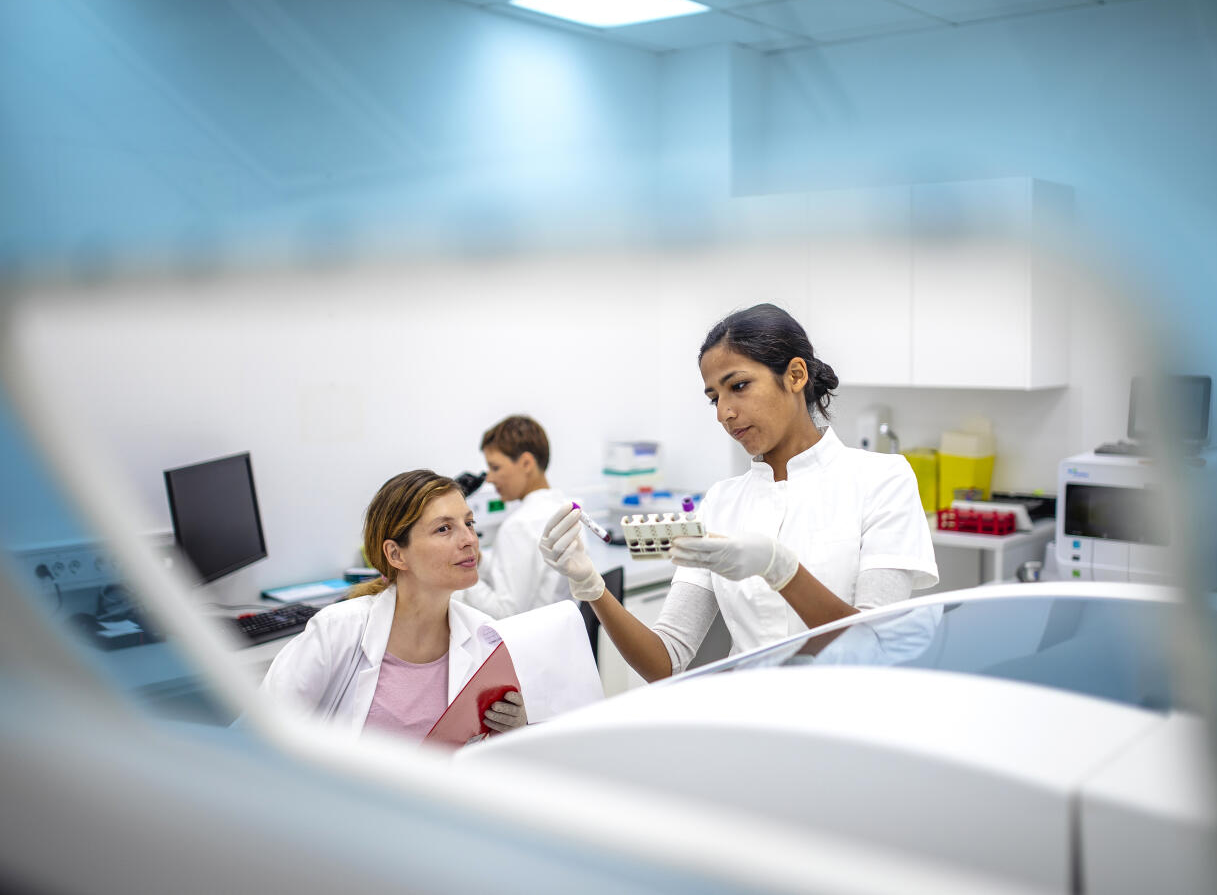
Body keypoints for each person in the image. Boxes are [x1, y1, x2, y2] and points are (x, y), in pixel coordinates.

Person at [540, 302, 938, 683]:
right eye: (715, 397)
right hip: (748, 723)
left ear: (796, 375)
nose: (723, 412)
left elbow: (875, 649)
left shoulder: (882, 479)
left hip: (847, 729)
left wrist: (781, 569)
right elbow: (664, 661)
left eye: (739, 386)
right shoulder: (722, 503)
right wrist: (592, 588)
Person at [261, 470, 525, 741]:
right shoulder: (337, 631)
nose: (469, 539)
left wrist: (516, 730)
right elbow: (261, 732)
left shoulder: (486, 637)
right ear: (396, 554)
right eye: (444, 528)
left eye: (469, 523)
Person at [455, 415, 582, 619]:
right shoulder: (566, 511)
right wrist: (479, 561)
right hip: (557, 634)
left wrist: (460, 573)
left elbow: (507, 613)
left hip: (529, 644)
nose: (489, 477)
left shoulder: (520, 525)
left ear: (526, 463)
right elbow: (519, 577)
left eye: (495, 467)